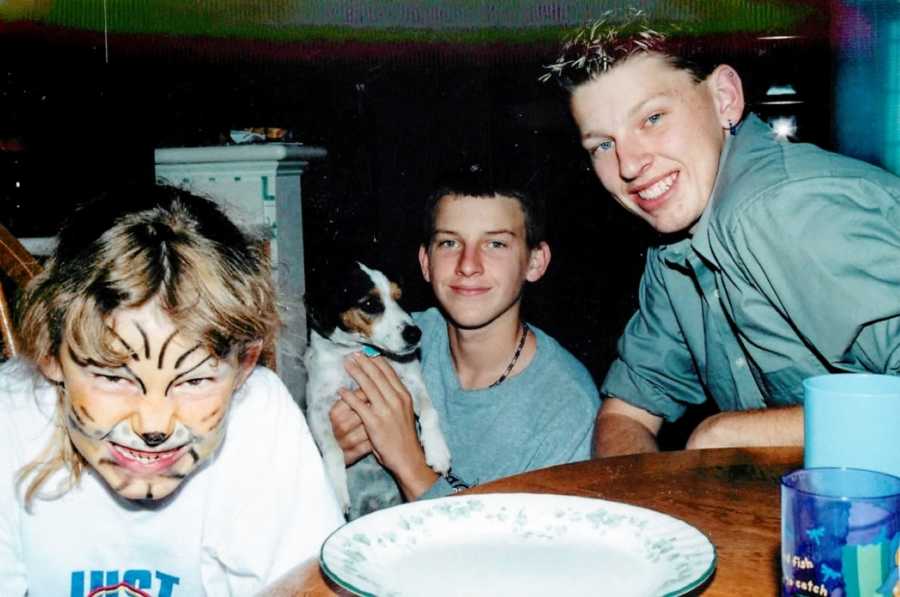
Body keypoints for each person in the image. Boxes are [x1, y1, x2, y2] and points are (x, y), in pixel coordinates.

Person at [540, 11, 900, 456]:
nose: (628, 165)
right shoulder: (674, 245)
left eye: (652, 118)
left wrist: (727, 435)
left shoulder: (783, 208)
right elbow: (626, 411)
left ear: (725, 98)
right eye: (603, 145)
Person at [0, 184, 344, 596]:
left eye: (194, 381)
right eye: (114, 377)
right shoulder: (10, 417)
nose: (154, 425)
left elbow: (312, 582)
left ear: (245, 366)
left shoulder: (259, 412)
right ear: (51, 355)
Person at [329, 169, 601, 499]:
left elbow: (520, 549)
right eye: (449, 242)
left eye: (496, 243)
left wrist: (409, 463)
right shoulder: (386, 339)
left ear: (535, 261)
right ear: (426, 261)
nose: (468, 265)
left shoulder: (565, 405)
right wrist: (329, 451)